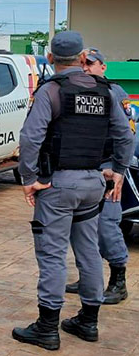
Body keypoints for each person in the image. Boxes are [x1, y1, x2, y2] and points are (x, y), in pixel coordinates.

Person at [12, 32, 134, 351]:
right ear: (82, 59)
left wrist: (29, 178)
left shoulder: (50, 91)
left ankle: (47, 328)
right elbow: (124, 137)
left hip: (57, 185)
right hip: (94, 182)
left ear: (50, 58)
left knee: (52, 254)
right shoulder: (107, 92)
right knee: (89, 250)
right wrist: (119, 171)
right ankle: (88, 321)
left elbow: (30, 139)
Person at [63, 48, 134, 304]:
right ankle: (89, 276)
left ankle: (119, 280)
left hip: (109, 168)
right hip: (82, 167)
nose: (85, 68)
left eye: (90, 64)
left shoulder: (114, 93)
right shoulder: (71, 90)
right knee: (82, 228)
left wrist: (119, 170)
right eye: (81, 63)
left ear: (103, 67)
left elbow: (127, 135)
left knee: (106, 226)